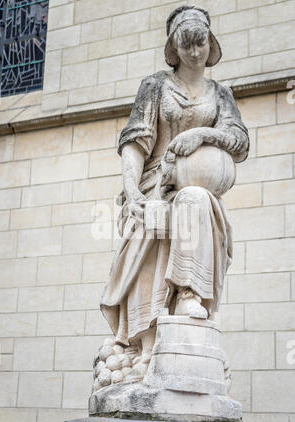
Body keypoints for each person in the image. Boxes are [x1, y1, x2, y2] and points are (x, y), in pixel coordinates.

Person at [100, 5, 249, 382]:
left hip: (196, 189)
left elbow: (240, 143)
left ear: (209, 44)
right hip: (153, 186)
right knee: (158, 217)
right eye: (186, 45)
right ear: (174, 48)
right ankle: (143, 348)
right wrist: (133, 192)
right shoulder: (155, 87)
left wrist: (202, 135)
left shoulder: (221, 94)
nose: (194, 52)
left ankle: (189, 294)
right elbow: (135, 143)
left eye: (200, 44)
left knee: (194, 201)